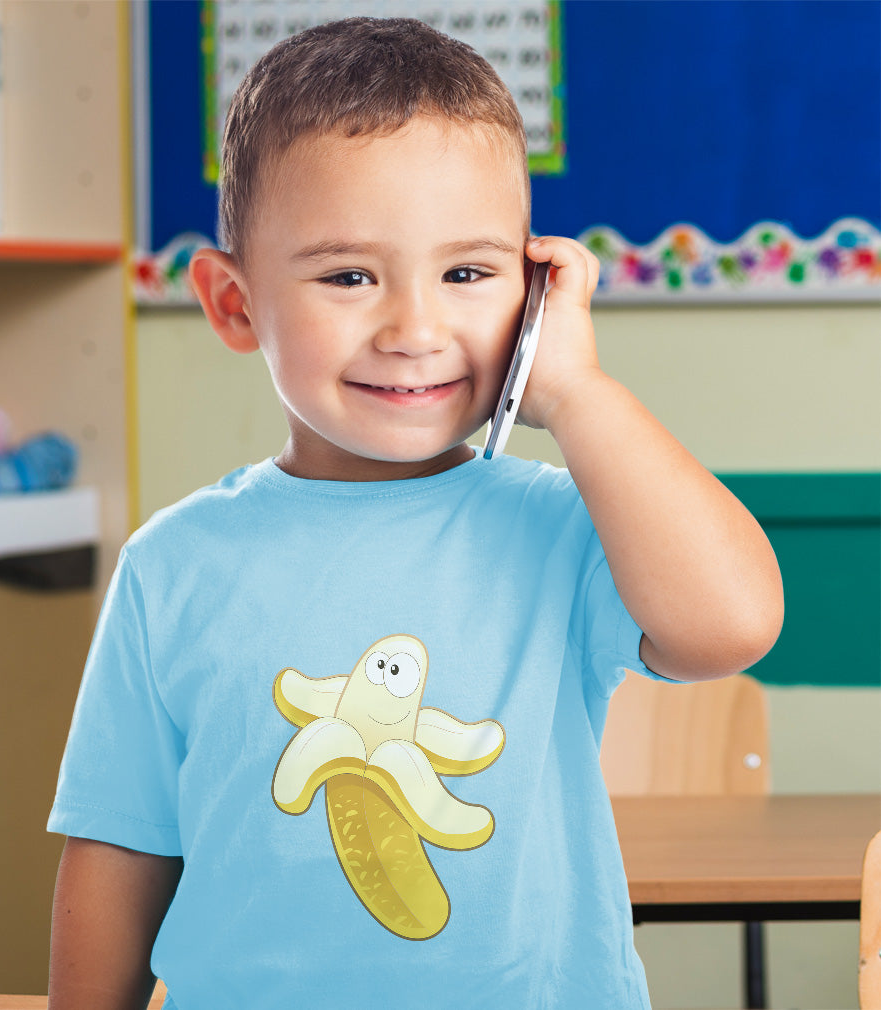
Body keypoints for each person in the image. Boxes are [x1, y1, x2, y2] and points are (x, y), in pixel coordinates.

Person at [47, 17, 783, 1010]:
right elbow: (120, 845)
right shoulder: (172, 562)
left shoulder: (565, 524)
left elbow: (729, 625)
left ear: (529, 293)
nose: (414, 330)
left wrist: (574, 392)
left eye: (467, 274)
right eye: (348, 275)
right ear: (234, 304)